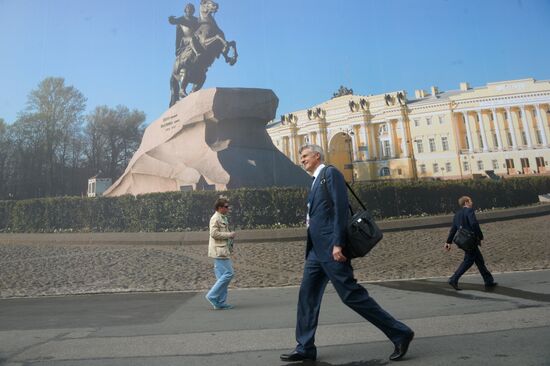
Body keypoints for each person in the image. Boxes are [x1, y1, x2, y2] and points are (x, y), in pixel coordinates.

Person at [280, 144, 414, 363]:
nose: (301, 160)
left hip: (332, 250)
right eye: (300, 157)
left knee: (351, 295)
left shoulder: (330, 173)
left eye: (305, 156)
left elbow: (341, 209)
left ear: (317, 155)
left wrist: (338, 244)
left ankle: (400, 333)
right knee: (307, 296)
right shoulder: (315, 180)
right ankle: (305, 347)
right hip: (316, 251)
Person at [445, 196, 497, 291]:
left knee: (479, 260)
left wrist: (448, 242)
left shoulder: (457, 214)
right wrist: (480, 236)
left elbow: (453, 229)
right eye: (470, 201)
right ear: (466, 202)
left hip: (463, 241)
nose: (472, 202)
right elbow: (474, 224)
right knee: (468, 261)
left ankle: (488, 281)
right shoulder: (469, 211)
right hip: (471, 241)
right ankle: (454, 279)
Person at [205, 197, 236, 310]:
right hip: (219, 251)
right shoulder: (215, 218)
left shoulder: (222, 217)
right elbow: (213, 233)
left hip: (221, 250)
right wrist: (229, 235)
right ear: (220, 208)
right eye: (226, 207)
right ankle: (212, 296)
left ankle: (220, 302)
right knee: (229, 274)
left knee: (221, 278)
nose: (228, 209)